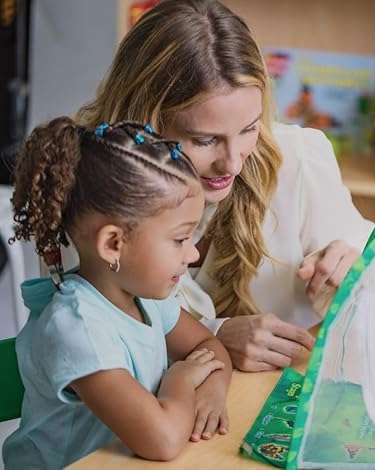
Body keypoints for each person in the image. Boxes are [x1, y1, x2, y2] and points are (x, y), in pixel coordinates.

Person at [76, 0, 375, 372]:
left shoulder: (299, 159)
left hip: (279, 396)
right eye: (205, 140)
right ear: (144, 122)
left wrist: (354, 270)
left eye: (249, 128)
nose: (233, 163)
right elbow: (87, 335)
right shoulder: (86, 189)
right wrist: (212, 336)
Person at [2, 118, 233, 469]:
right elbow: (163, 440)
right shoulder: (77, 327)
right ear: (113, 244)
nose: (192, 253)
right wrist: (181, 382)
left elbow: (208, 346)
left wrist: (213, 389)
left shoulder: (143, 298)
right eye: (179, 239)